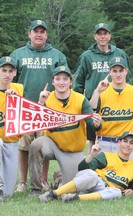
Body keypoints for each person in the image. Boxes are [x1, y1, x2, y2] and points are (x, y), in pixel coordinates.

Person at [10, 19, 68, 192]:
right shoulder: (18, 54)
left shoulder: (57, 55)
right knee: (24, 146)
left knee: (42, 144)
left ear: (46, 35)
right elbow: (10, 79)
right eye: (36, 31)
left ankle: (42, 180)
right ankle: (22, 181)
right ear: (29, 34)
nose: (39, 34)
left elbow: (65, 79)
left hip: (48, 107)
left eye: (42, 31)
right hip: (24, 106)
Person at [28, 65, 101, 195]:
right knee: (35, 145)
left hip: (73, 150)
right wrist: (40, 103)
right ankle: (35, 188)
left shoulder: (80, 99)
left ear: (70, 82)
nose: (61, 82)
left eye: (65, 79)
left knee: (71, 189)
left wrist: (97, 123)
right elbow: (35, 123)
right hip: (52, 144)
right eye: (58, 79)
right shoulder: (47, 98)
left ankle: (59, 178)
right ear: (53, 81)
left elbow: (91, 122)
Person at [38, 131, 133, 203]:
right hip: (92, 182)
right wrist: (91, 155)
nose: (128, 145)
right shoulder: (106, 156)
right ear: (119, 142)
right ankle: (53, 194)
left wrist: (132, 191)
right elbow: (82, 169)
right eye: (125, 141)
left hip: (103, 191)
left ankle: (76, 198)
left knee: (117, 192)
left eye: (131, 143)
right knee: (93, 175)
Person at [73, 23, 131, 147]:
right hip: (94, 103)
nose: (102, 37)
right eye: (99, 34)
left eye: (105, 34)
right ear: (95, 36)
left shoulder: (120, 54)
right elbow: (79, 82)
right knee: (94, 142)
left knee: (120, 138)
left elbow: (128, 78)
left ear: (109, 36)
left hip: (116, 103)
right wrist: (78, 103)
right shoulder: (86, 56)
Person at [90, 57, 133, 161]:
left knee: (128, 176)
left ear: (126, 71)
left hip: (126, 144)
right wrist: (97, 91)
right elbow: (91, 110)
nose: (118, 74)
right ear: (110, 73)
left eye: (121, 71)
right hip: (104, 143)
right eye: (115, 71)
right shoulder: (102, 91)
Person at [0, 56, 23, 202]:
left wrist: (15, 100)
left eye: (10, 71)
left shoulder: (18, 88)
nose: (7, 74)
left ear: (15, 73)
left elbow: (25, 113)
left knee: (8, 192)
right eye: (3, 70)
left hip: (12, 141)